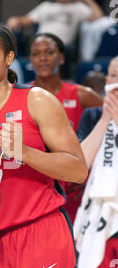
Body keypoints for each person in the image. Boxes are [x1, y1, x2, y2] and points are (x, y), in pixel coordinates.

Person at [0, 23, 88, 268]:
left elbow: (78, 169)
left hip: (40, 233)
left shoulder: (36, 99)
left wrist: (25, 153)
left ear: (9, 58)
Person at [27, 32, 103, 223]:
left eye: (49, 52)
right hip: (38, 188)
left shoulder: (82, 95)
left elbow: (110, 124)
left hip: (75, 189)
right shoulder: (22, 96)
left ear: (61, 58)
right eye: (36, 54)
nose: (43, 58)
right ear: (30, 60)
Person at [73, 56, 118, 268]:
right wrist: (106, 121)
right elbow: (79, 166)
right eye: (114, 74)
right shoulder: (91, 116)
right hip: (101, 222)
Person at [7, 0, 104, 49]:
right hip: (39, 42)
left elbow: (99, 17)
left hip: (61, 46)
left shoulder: (78, 7)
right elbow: (26, 20)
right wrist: (16, 20)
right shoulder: (46, 6)